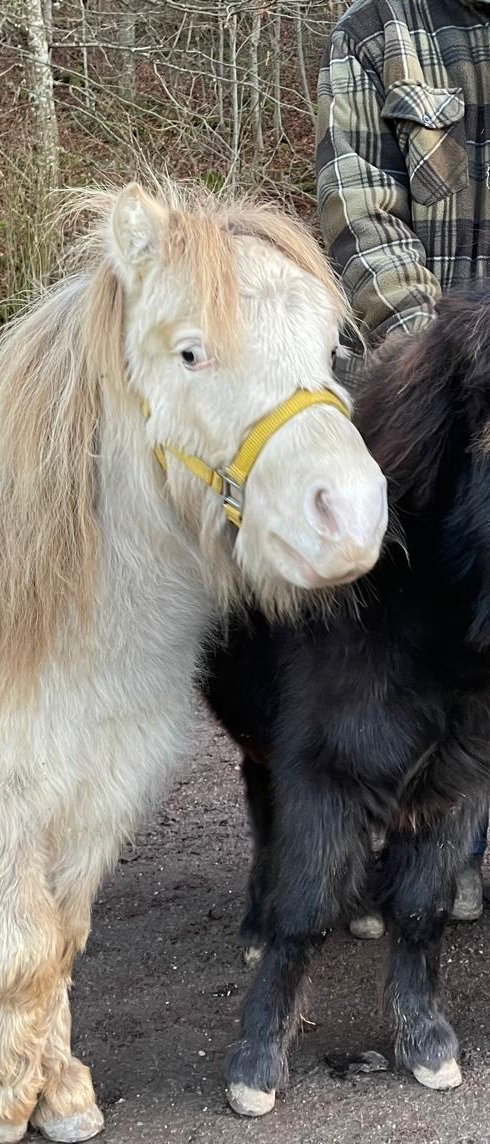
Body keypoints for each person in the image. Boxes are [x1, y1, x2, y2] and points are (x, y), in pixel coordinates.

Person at [316, 0, 490, 927]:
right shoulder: (378, 33)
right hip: (419, 374)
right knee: (400, 608)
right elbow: (358, 208)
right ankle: (416, 831)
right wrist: (445, 363)